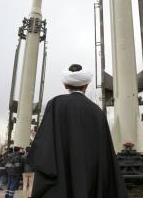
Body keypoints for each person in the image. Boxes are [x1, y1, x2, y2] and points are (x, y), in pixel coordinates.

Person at [28, 64, 128, 198]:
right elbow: (105, 155)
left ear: (65, 84)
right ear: (86, 85)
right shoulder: (97, 112)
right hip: (90, 182)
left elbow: (45, 146)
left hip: (60, 182)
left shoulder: (55, 105)